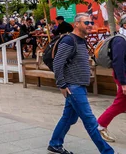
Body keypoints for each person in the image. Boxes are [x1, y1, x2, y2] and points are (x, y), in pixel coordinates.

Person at [48, 13, 114, 154]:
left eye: (91, 22)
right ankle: (108, 152)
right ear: (77, 24)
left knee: (69, 118)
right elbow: (58, 63)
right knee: (90, 121)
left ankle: (55, 144)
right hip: (73, 87)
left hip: (79, 85)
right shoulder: (68, 40)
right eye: (86, 23)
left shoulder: (81, 41)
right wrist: (62, 85)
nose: (90, 25)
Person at [97, 14, 126, 142]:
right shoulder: (120, 40)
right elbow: (118, 62)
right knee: (120, 104)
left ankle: (100, 126)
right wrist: (123, 83)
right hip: (123, 76)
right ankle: (99, 126)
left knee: (121, 104)